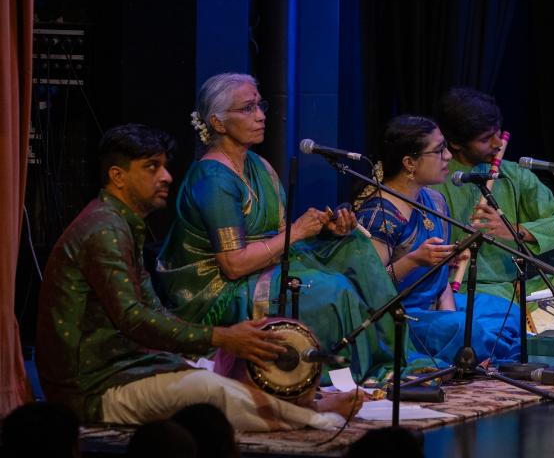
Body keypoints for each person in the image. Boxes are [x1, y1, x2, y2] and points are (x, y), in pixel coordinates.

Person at [36, 124, 358, 431]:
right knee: (206, 390)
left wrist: (213, 344)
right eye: (152, 167)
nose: (166, 176)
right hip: (91, 390)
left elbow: (150, 308)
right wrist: (220, 337)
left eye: (164, 165)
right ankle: (312, 417)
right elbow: (133, 319)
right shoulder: (105, 229)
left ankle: (298, 409)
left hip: (123, 370)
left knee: (209, 372)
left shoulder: (120, 224)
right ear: (117, 176)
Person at [156, 73, 429, 382]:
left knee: (355, 247)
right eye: (247, 109)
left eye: (260, 106)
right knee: (332, 289)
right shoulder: (213, 179)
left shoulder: (260, 166)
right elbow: (233, 265)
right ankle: (349, 373)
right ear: (218, 123)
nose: (260, 116)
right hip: (222, 291)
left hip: (266, 265)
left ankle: (396, 359)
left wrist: (327, 231)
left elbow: (281, 236)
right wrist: (299, 231)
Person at [355, 115, 521, 364]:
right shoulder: (380, 213)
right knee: (469, 332)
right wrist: (413, 261)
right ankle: (469, 354)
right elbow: (369, 289)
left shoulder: (434, 201)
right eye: (439, 150)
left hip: (435, 308)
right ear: (410, 162)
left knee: (508, 313)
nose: (448, 157)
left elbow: (442, 278)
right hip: (401, 317)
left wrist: (449, 312)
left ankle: (470, 352)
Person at [432, 88, 554, 303]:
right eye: (485, 139)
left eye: (498, 131)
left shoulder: (514, 174)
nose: (498, 143)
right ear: (455, 143)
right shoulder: (435, 181)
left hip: (518, 288)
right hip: (462, 291)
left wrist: (515, 231)